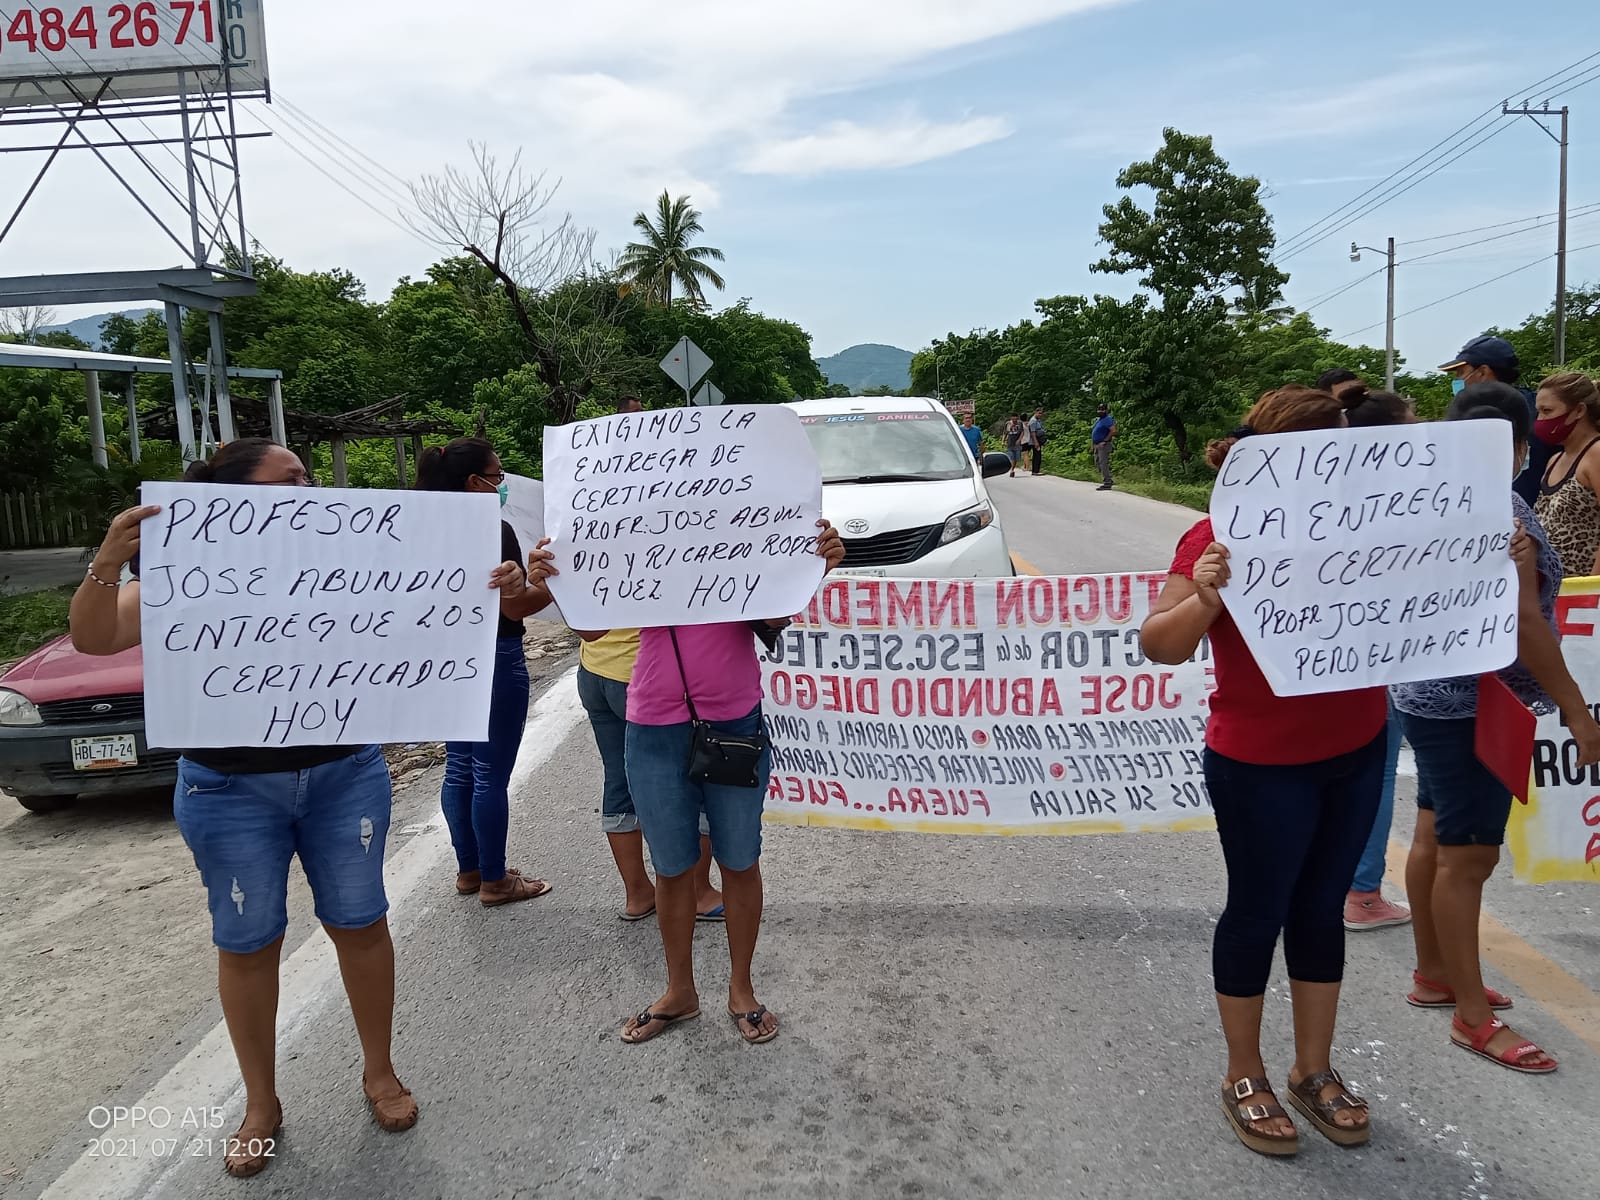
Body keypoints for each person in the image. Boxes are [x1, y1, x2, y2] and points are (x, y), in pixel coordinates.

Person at [67, 440, 427, 1177]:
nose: (310, 489)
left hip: (343, 774)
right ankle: (261, 1101)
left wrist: (497, 582)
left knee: (361, 923)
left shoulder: (347, 560)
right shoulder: (183, 575)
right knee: (247, 941)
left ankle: (378, 1071)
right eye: (289, 479)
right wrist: (109, 558)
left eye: (309, 478)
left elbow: (432, 605)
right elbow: (94, 635)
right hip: (228, 789)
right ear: (230, 497)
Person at [1140, 386, 1383, 1157]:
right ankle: (1244, 1073)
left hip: (1359, 746)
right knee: (1259, 909)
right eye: (1334, 444)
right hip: (1260, 761)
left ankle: (1314, 1069)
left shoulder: (1376, 526)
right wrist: (1208, 596)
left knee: (1320, 910)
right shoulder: (1213, 537)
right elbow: (1161, 644)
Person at [531, 521, 846, 1048]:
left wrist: (812, 566)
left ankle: (741, 989)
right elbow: (591, 632)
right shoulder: (632, 535)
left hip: (734, 720)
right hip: (652, 723)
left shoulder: (747, 525)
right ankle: (680, 991)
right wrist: (560, 580)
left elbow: (770, 616)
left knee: (740, 859)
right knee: (673, 868)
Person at [1393, 381, 1600, 1075]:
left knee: (1434, 833)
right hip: (1477, 705)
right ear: (1513, 447)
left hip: (1426, 696)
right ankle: (1473, 1017)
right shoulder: (1501, 508)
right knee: (1469, 858)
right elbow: (1523, 623)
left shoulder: (1424, 505)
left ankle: (1435, 974)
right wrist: (1575, 709)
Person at [415, 438, 555, 906]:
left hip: (442, 662)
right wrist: (547, 580)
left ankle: (470, 870)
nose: (501, 486)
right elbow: (516, 611)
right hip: (496, 658)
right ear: (474, 482)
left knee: (459, 767)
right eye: (497, 477)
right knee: (490, 774)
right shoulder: (491, 532)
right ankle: (496, 880)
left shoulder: (413, 530)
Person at [575, 626, 725, 921]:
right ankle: (697, 891)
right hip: (644, 669)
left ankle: (638, 893)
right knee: (694, 778)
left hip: (594, 669)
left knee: (618, 779)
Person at [1340, 389, 1418, 931]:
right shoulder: (1410, 493)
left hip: (1337, 656)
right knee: (1379, 772)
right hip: (1383, 656)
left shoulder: (1328, 488)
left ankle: (1339, 880)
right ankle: (1363, 892)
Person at [1440, 335, 1547, 505]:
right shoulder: (1537, 406)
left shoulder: (1529, 411)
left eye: (1461, 373)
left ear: (1482, 372)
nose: (1457, 380)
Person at [1533, 371, 1600, 577]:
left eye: (1547, 411)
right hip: (1552, 591)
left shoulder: (1596, 454)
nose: (1540, 420)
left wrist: (1591, 589)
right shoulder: (1554, 461)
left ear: (1579, 410)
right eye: (1539, 412)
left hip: (1581, 595)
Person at [1091, 404, 1116, 491]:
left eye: (1102, 410)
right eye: (1099, 409)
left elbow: (1113, 430)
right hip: (1097, 444)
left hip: (1103, 445)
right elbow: (1094, 432)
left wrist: (1105, 440)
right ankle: (1109, 478)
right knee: (1097, 463)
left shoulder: (1108, 419)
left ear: (1106, 410)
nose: (1100, 411)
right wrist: (1093, 444)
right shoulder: (1099, 420)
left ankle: (1107, 483)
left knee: (1103, 463)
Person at [1028, 408, 1048, 475]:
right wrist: (1036, 442)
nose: (1040, 415)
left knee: (1038, 455)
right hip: (1035, 440)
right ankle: (1035, 471)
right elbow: (1033, 432)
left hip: (1039, 439)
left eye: (1041, 413)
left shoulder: (1038, 420)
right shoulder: (1033, 421)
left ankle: (1037, 470)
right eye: (1039, 413)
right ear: (1035, 412)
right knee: (1037, 456)